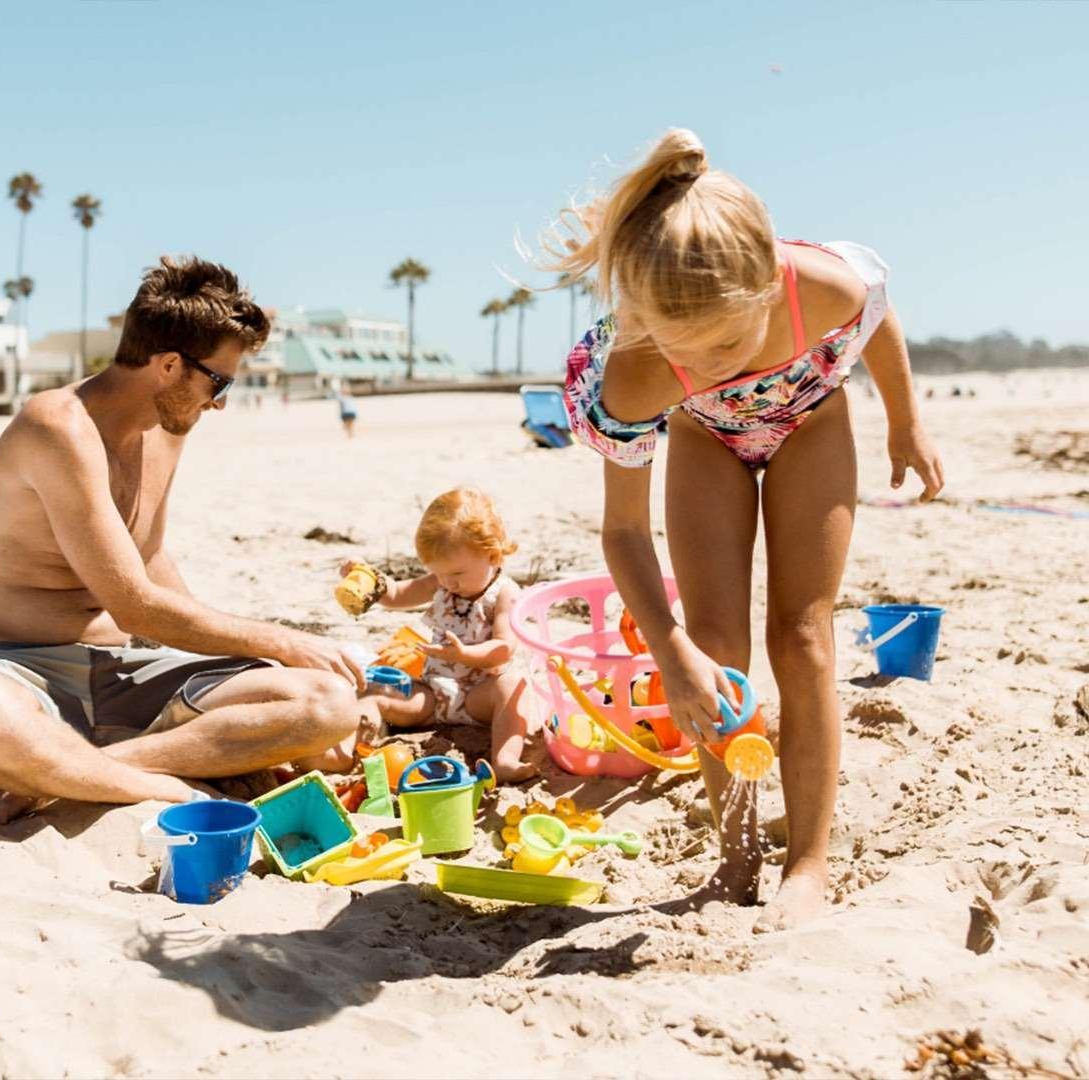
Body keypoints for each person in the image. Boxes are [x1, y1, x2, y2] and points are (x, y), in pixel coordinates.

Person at [548, 129, 944, 930]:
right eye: (687, 350)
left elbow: (881, 320)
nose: (716, 365)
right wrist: (672, 652)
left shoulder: (823, 285)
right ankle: (735, 850)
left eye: (728, 343)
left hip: (811, 426)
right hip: (707, 442)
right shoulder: (637, 369)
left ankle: (808, 862)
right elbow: (624, 530)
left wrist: (906, 423)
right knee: (716, 648)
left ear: (769, 284)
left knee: (802, 638)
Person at [0, 256, 365, 823]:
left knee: (327, 705)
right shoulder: (57, 427)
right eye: (220, 381)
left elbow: (150, 555)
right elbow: (133, 602)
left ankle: (88, 771)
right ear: (167, 366)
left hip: (127, 671)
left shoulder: (166, 429)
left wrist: (253, 661)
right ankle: (169, 786)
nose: (221, 401)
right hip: (17, 668)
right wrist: (284, 640)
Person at [338, 488, 539, 781]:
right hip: (435, 694)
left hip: (479, 695)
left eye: (457, 574)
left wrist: (463, 655)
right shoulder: (441, 582)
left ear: (493, 555)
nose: (447, 583)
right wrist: (367, 577)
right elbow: (396, 595)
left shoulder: (504, 594)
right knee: (378, 695)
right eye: (439, 573)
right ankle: (353, 750)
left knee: (513, 687)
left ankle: (505, 758)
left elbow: (503, 649)